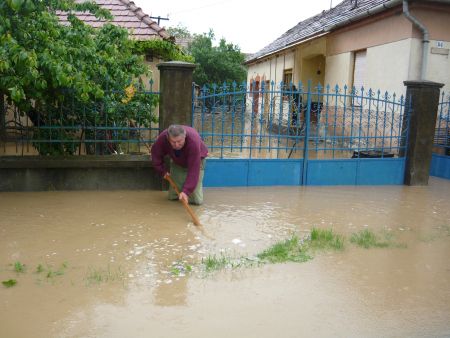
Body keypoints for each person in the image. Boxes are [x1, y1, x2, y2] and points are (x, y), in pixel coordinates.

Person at [151, 124, 208, 205]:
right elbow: (156, 153)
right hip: (177, 161)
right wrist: (162, 171)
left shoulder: (193, 142)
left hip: (197, 161)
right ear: (168, 138)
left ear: (185, 136)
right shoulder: (163, 137)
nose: (176, 145)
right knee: (173, 197)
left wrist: (186, 191)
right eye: (173, 142)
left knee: (196, 201)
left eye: (179, 141)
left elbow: (193, 170)